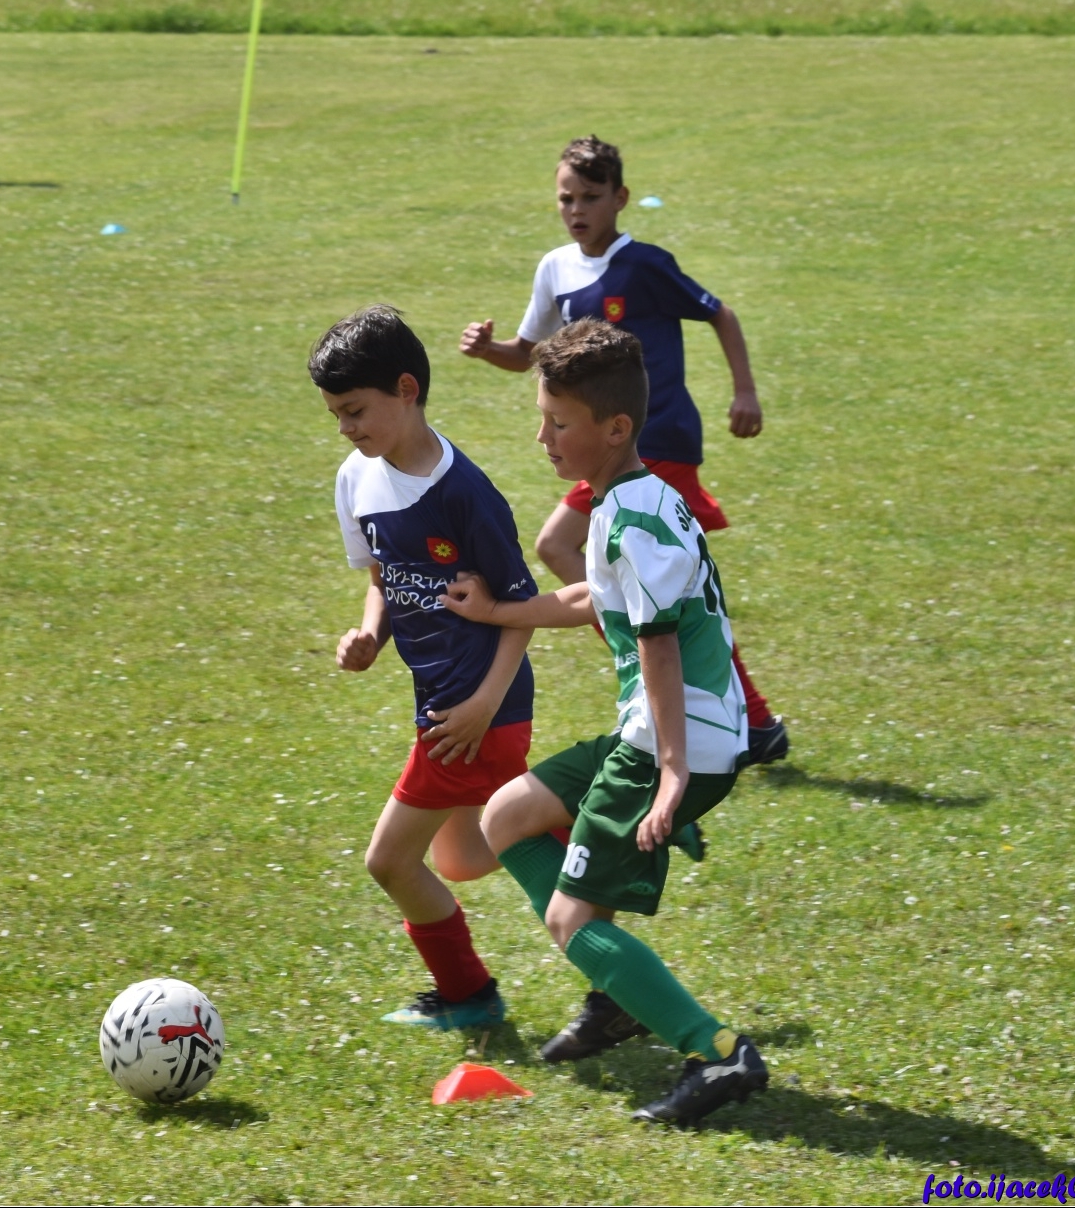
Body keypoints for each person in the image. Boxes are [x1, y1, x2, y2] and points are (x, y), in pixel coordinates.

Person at [443, 318, 768, 1124]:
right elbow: (596, 596)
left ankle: (718, 1052)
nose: (543, 437)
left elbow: (659, 644)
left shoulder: (631, 519)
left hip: (672, 740)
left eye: (559, 423)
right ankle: (618, 997)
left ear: (615, 428)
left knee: (569, 918)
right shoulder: (632, 498)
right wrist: (497, 610)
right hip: (659, 735)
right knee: (505, 818)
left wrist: (673, 777)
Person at [460, 135, 788, 767]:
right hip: (611, 450)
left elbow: (720, 314)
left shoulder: (645, 265)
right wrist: (486, 350)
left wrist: (745, 391)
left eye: (590, 197)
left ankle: (724, 704)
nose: (576, 210)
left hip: (656, 440)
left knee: (579, 553)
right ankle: (722, 702)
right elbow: (529, 355)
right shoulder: (555, 269)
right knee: (636, 577)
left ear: (620, 198)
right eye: (566, 198)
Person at [311, 305, 539, 1030]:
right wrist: (369, 635)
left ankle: (469, 995)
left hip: (474, 710)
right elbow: (383, 576)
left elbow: (522, 609)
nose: (345, 428)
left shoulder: (463, 493)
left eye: (355, 411)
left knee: (390, 862)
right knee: (464, 857)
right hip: (444, 702)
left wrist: (483, 706)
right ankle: (601, 828)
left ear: (407, 389)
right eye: (336, 415)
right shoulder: (357, 477)